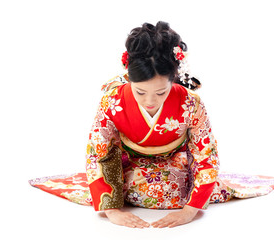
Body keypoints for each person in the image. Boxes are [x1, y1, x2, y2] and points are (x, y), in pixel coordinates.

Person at [85, 21, 220, 228]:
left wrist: (190, 210)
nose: (150, 101)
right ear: (129, 77)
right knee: (148, 189)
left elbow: (205, 153)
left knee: (176, 189)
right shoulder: (113, 101)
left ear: (173, 79)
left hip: (175, 162)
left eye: (160, 92)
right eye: (140, 92)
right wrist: (111, 210)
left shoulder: (190, 103)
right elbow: (99, 151)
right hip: (128, 164)